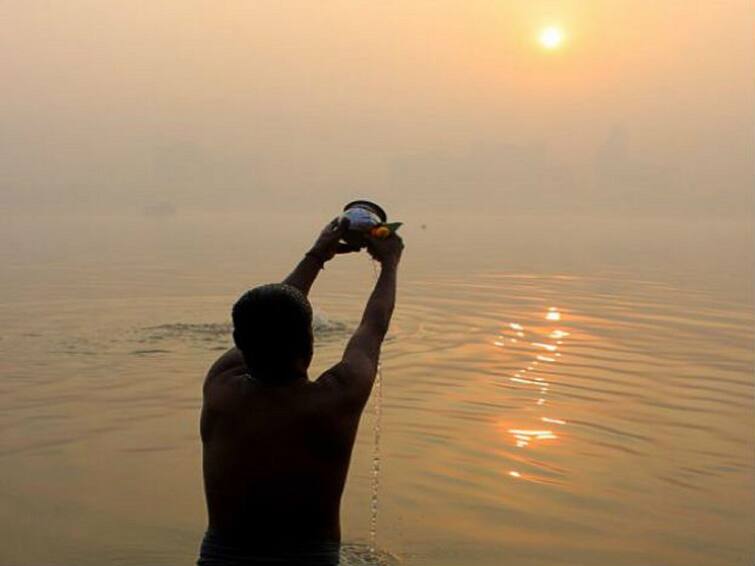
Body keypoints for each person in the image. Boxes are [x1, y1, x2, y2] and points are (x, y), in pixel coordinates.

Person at [197, 216, 404, 565]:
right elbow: (373, 328)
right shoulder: (337, 397)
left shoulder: (220, 388)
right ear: (310, 341)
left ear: (238, 344)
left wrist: (317, 255)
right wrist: (389, 264)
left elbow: (265, 316)